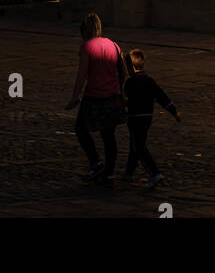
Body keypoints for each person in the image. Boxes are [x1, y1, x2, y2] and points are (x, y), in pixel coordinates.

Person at [65, 12, 127, 183]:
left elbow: (82, 74)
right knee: (109, 135)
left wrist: (74, 97)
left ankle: (96, 163)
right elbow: (123, 72)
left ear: (85, 30)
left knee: (81, 129)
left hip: (94, 96)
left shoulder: (87, 47)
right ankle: (109, 170)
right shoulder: (114, 45)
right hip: (112, 96)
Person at [122, 48, 180, 187]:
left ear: (130, 67)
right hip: (147, 117)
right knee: (135, 144)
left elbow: (125, 100)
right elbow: (162, 97)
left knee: (138, 146)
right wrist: (174, 112)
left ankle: (154, 173)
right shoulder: (149, 81)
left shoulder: (129, 83)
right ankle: (129, 172)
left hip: (135, 117)